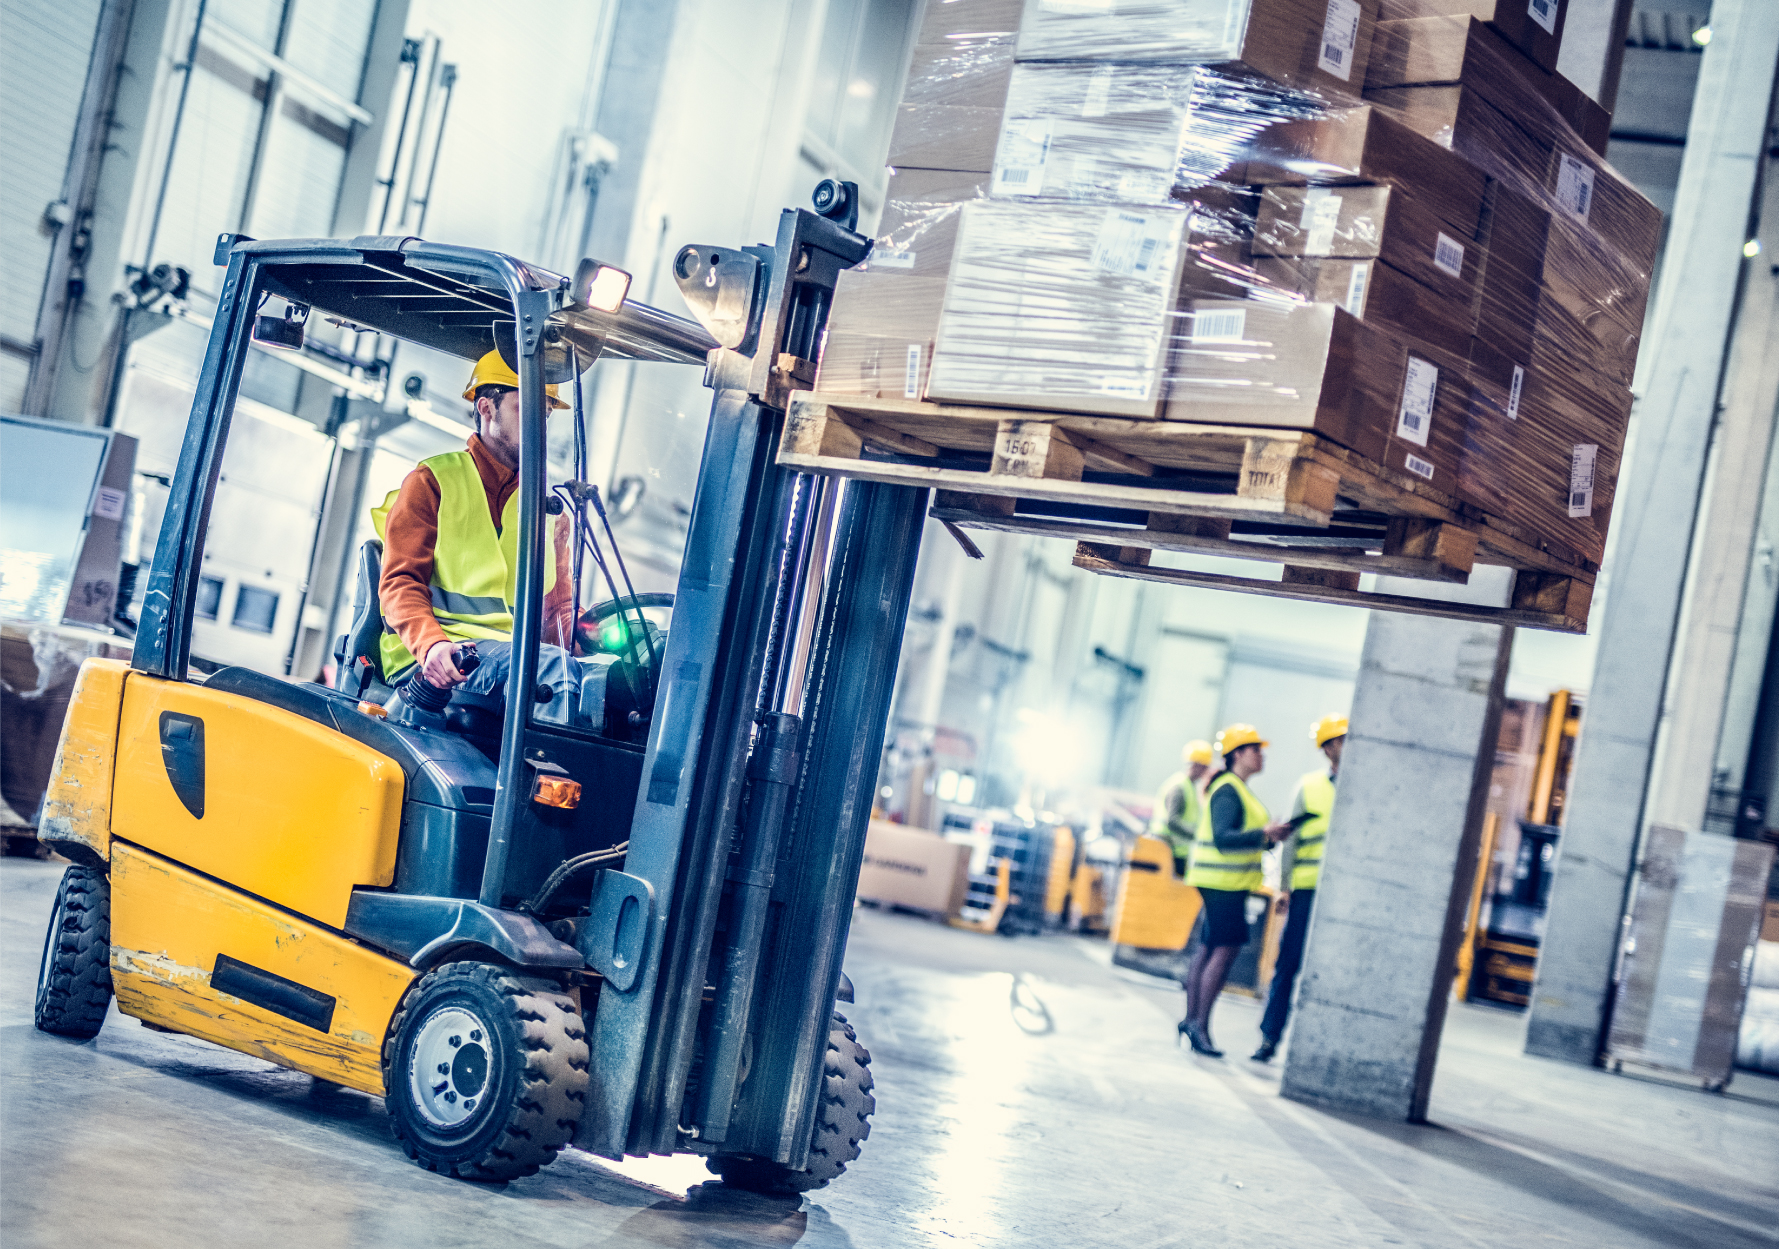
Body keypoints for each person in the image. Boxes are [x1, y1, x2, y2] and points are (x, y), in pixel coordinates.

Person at [376, 350, 580, 721]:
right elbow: (399, 584)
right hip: (440, 659)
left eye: (546, 414)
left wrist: (596, 630)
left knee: (614, 687)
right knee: (553, 671)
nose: (541, 425)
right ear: (487, 409)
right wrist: (431, 644)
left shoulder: (549, 510)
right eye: (527, 409)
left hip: (516, 662)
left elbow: (557, 614)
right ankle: (541, 775)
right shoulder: (432, 483)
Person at [1178, 723, 1290, 1057]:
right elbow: (1223, 838)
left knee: (1209, 948)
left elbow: (1239, 837)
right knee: (1223, 951)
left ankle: (1191, 1021)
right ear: (1238, 754)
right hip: (1223, 884)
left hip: (1225, 883)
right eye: (1256, 749)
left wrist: (1268, 837)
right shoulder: (1228, 789)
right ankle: (1199, 1026)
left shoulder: (1235, 788)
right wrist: (1265, 833)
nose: (1262, 755)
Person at [1251, 714, 1346, 1062]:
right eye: (1343, 740)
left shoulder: (1367, 788)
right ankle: (1269, 1037)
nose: (1350, 746)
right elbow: (1289, 842)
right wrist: (1285, 887)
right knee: (1288, 964)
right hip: (1307, 891)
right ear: (1328, 748)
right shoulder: (1309, 787)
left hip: (1345, 896)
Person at [1150, 739, 1215, 877]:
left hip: (1175, 851)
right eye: (1205, 767)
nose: (1206, 771)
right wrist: (1197, 835)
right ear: (1197, 765)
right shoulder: (1179, 787)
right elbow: (1172, 821)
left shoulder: (1189, 787)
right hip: (1167, 850)